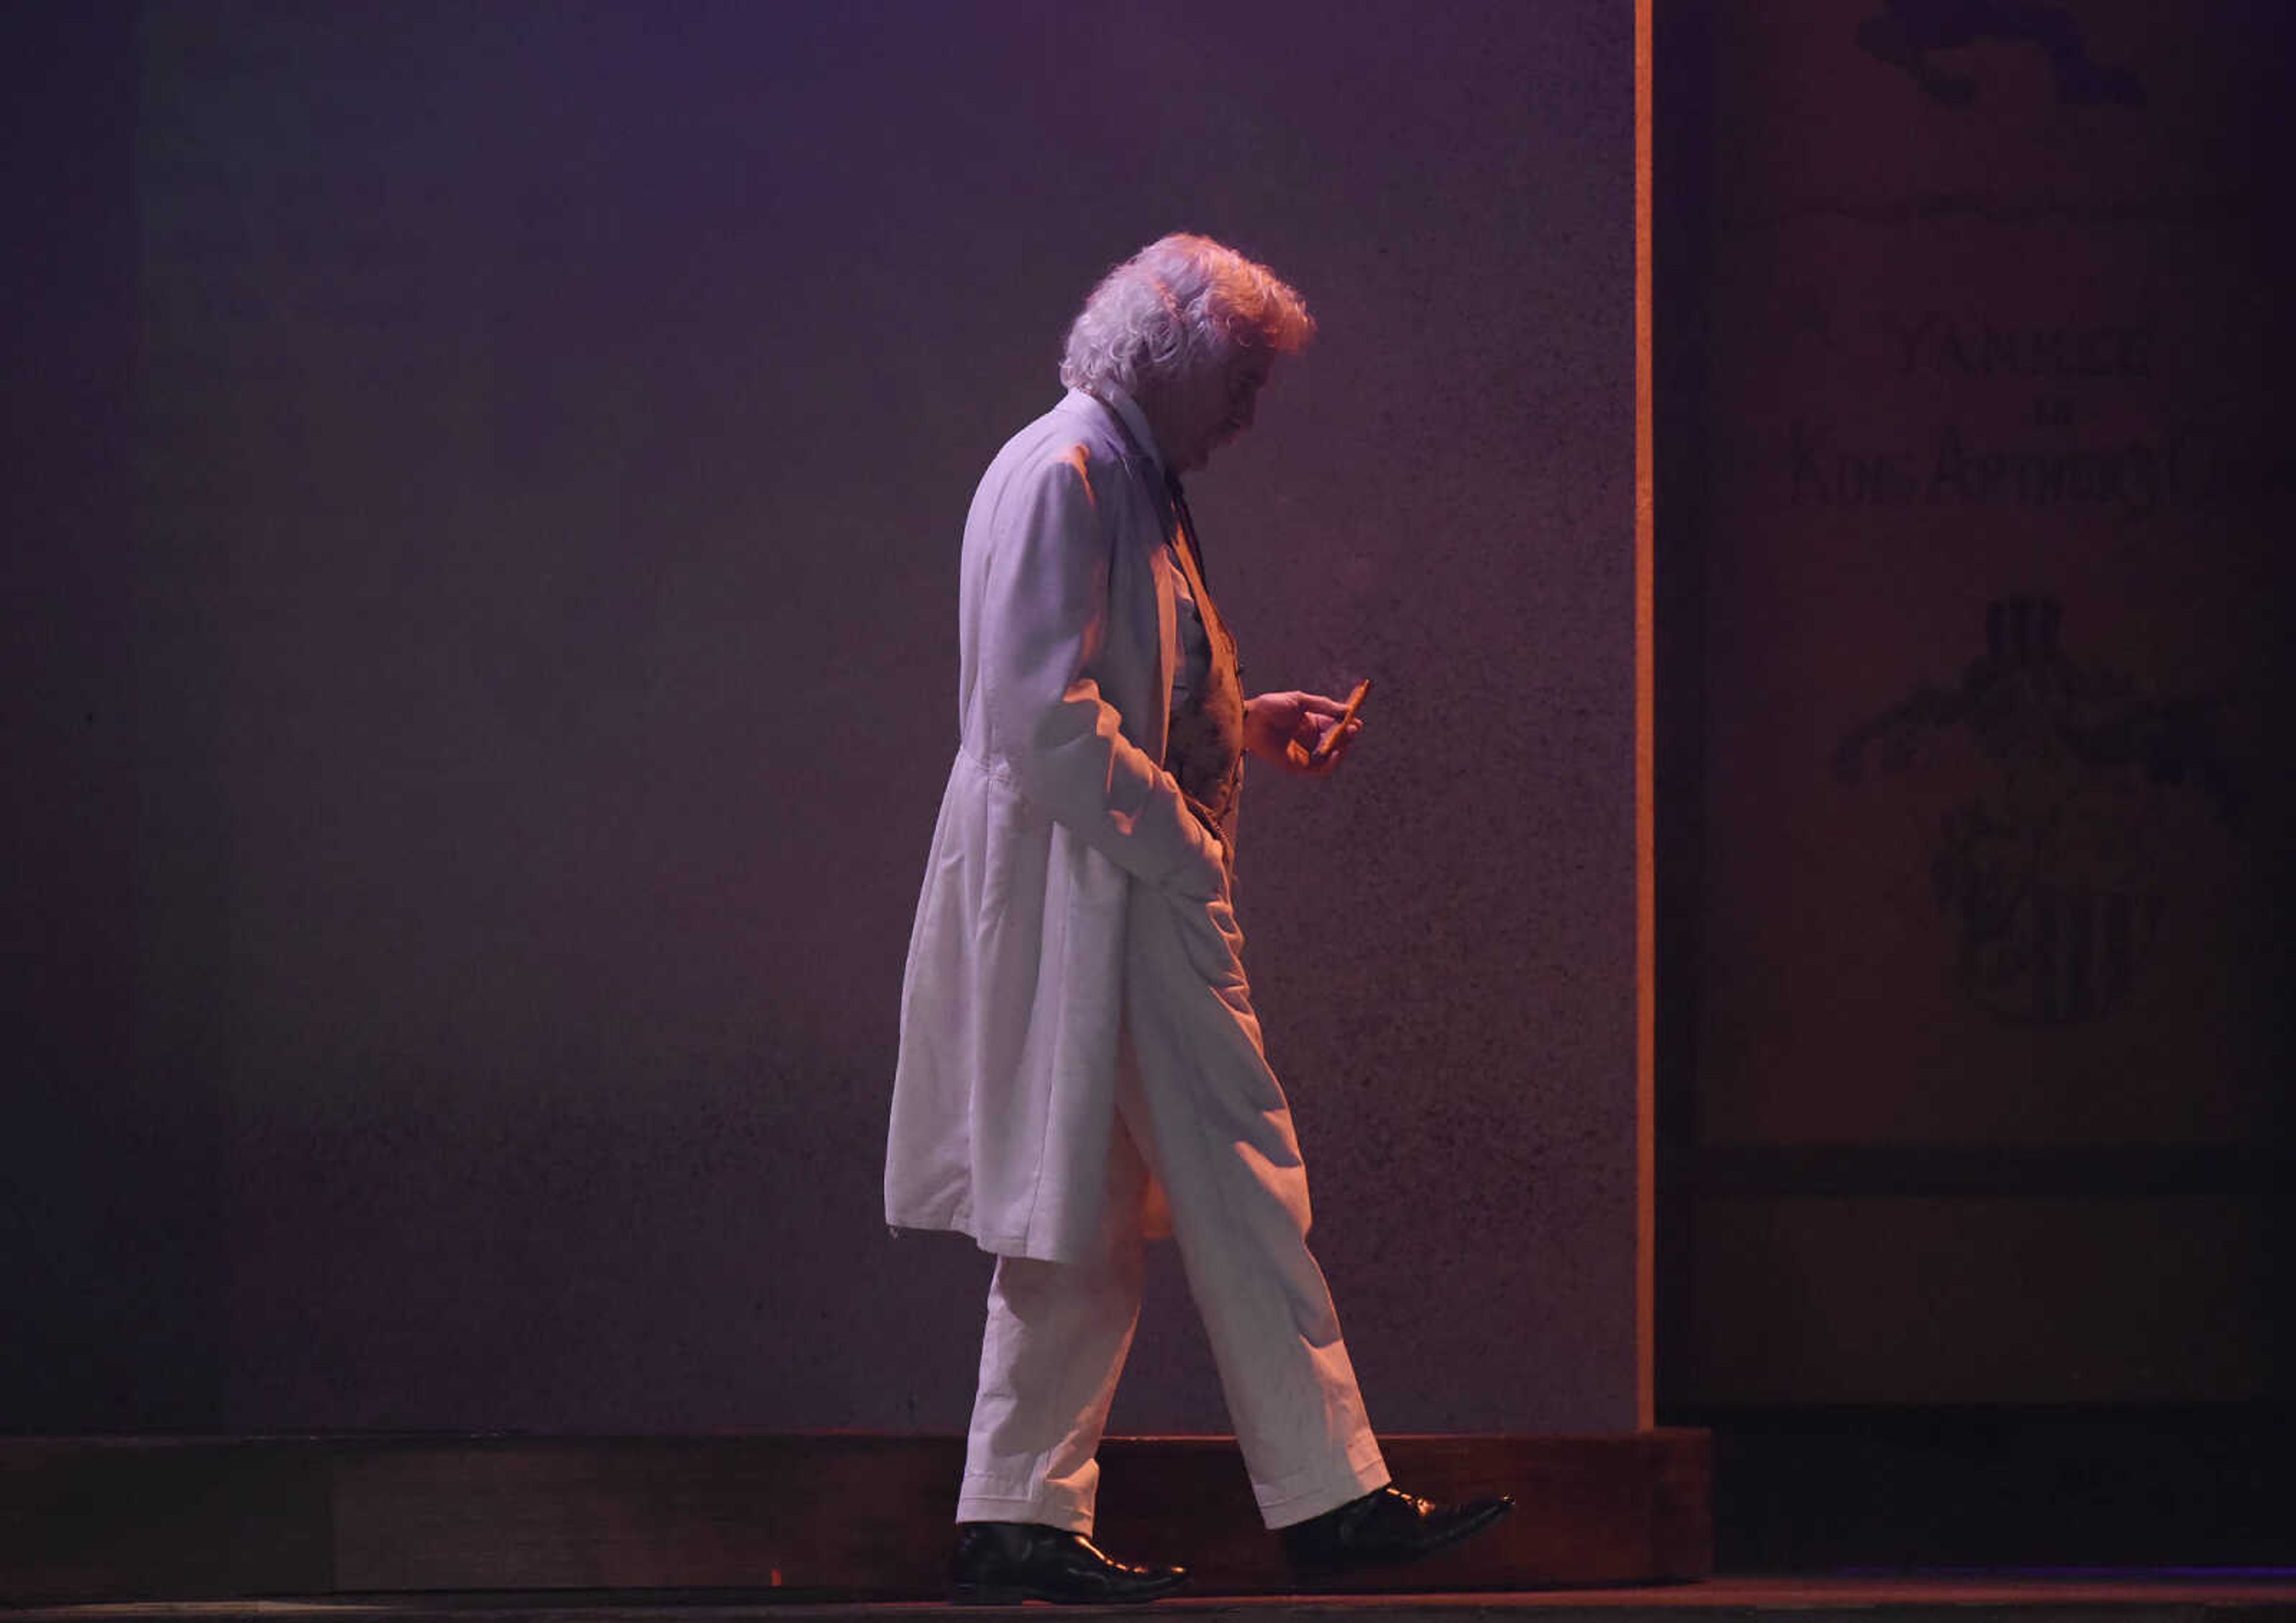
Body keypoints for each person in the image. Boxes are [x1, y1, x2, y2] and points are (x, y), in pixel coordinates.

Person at [886, 233, 1512, 1604]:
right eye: (1239, 380)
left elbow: (1112, 678)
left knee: (1087, 1204)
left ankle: (1018, 1514)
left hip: (1106, 889)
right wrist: (1184, 844)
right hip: (1113, 893)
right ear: (1171, 365)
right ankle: (1329, 1496)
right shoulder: (1073, 474)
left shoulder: (1105, 471)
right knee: (1234, 1177)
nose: (1247, 413)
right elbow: (1047, 718)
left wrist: (1244, 718)